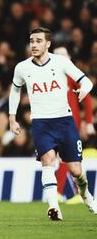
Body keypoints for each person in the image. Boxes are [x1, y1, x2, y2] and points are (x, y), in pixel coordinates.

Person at [8, 27, 96, 221]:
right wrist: (12, 117)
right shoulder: (22, 68)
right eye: (32, 41)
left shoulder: (61, 62)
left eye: (39, 41)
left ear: (48, 44)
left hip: (65, 122)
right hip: (41, 123)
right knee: (48, 161)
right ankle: (53, 207)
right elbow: (15, 91)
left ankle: (86, 194)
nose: (34, 44)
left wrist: (84, 91)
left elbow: (86, 81)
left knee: (76, 171)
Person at [53, 47, 95, 205]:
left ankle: (59, 191)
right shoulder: (50, 76)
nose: (61, 58)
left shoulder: (71, 75)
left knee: (66, 157)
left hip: (70, 121)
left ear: (69, 57)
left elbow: (87, 98)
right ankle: (80, 193)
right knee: (67, 158)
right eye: (57, 55)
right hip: (55, 121)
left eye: (63, 54)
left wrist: (89, 122)